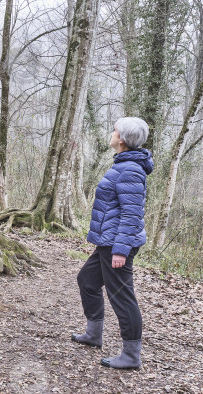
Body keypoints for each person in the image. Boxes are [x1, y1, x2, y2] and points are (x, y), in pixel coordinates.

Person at [71, 117, 153, 370]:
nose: (112, 133)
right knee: (87, 280)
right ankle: (94, 335)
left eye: (115, 130)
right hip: (108, 241)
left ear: (123, 140)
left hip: (117, 245)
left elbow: (131, 215)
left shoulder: (129, 170)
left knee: (122, 297)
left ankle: (131, 355)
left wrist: (121, 250)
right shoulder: (124, 164)